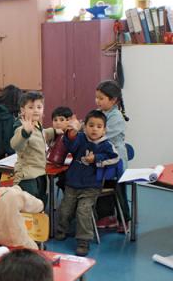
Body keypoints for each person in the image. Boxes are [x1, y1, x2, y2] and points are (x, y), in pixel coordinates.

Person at [54, 110, 119, 256]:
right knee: (65, 209)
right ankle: (61, 230)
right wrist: (72, 134)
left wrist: (96, 158)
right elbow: (70, 145)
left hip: (91, 186)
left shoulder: (106, 145)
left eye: (98, 126)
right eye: (91, 125)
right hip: (72, 183)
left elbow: (114, 159)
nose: (94, 129)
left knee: (83, 211)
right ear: (85, 127)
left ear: (104, 129)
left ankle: (83, 241)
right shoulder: (81, 138)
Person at [94, 80, 130, 229]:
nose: (97, 101)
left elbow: (100, 134)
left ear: (113, 100)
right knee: (104, 185)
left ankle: (125, 220)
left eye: (101, 98)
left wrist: (86, 129)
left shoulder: (116, 117)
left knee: (118, 190)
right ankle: (107, 217)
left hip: (117, 161)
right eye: (96, 97)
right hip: (104, 159)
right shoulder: (100, 113)